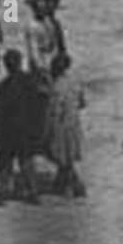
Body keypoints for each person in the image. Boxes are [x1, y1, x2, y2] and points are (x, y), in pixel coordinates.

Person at [0, 50, 44, 204]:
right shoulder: (29, 81)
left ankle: (2, 192)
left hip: (8, 132)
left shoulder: (4, 86)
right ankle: (33, 192)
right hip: (26, 131)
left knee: (3, 163)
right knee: (27, 162)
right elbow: (38, 106)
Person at [45, 52, 86, 197]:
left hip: (61, 127)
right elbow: (82, 103)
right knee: (67, 158)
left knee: (64, 159)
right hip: (74, 124)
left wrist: (47, 131)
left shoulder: (56, 88)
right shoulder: (74, 82)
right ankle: (62, 185)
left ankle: (74, 186)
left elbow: (53, 113)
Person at [24, 0, 61, 90]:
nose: (43, 11)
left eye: (44, 8)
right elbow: (33, 48)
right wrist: (40, 66)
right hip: (41, 59)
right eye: (40, 9)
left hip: (50, 55)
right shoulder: (32, 26)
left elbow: (54, 39)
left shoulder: (48, 21)